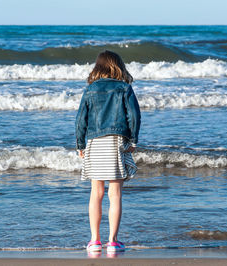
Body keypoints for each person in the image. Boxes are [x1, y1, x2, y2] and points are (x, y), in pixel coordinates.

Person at [75, 50, 141, 254]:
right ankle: (113, 241)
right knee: (115, 194)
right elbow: (135, 116)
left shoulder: (91, 89)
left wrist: (80, 144)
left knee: (96, 193)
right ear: (118, 66)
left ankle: (95, 240)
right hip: (116, 142)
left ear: (98, 67)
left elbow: (80, 119)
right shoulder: (124, 88)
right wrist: (133, 140)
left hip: (94, 142)